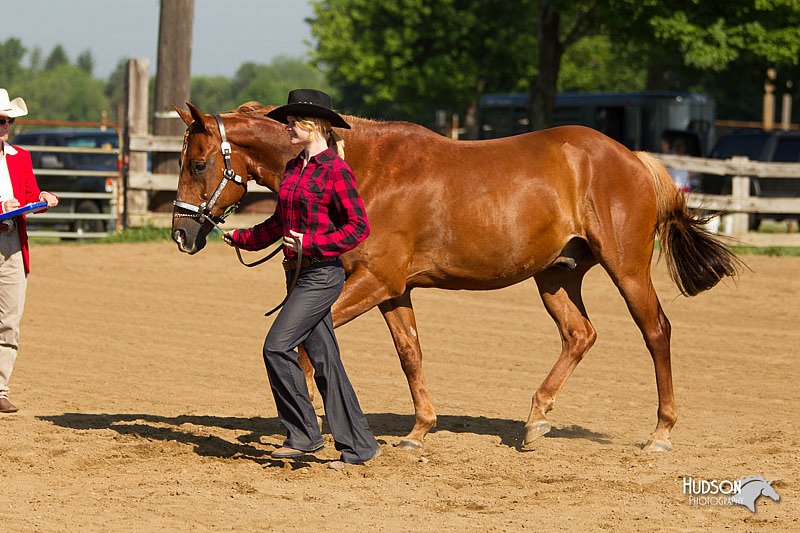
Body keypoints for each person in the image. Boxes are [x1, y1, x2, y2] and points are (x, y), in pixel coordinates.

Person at [223, 89, 380, 465]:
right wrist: (243, 238)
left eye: (294, 122)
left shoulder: (336, 171)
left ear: (315, 126)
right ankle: (360, 444)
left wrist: (313, 244)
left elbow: (359, 227)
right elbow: (280, 222)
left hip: (322, 275)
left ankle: (305, 435)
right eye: (289, 121)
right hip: (299, 273)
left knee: (277, 346)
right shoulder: (295, 167)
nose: (288, 127)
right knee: (326, 362)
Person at [0, 88, 59, 413]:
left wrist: (42, 200)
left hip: (12, 242)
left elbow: (30, 196)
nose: (4, 125)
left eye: (8, 120)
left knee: (10, 319)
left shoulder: (21, 157)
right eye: (0, 120)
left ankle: (0, 388)